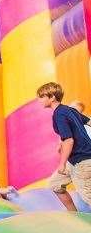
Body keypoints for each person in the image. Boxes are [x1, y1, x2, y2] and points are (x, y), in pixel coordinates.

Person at [39, 82, 91, 211]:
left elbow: (68, 140)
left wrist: (61, 163)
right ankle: (74, 216)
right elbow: (89, 121)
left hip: (82, 160)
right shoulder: (69, 110)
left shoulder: (59, 114)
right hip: (74, 161)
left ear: (52, 97)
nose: (39, 99)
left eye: (42, 96)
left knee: (87, 196)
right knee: (55, 184)